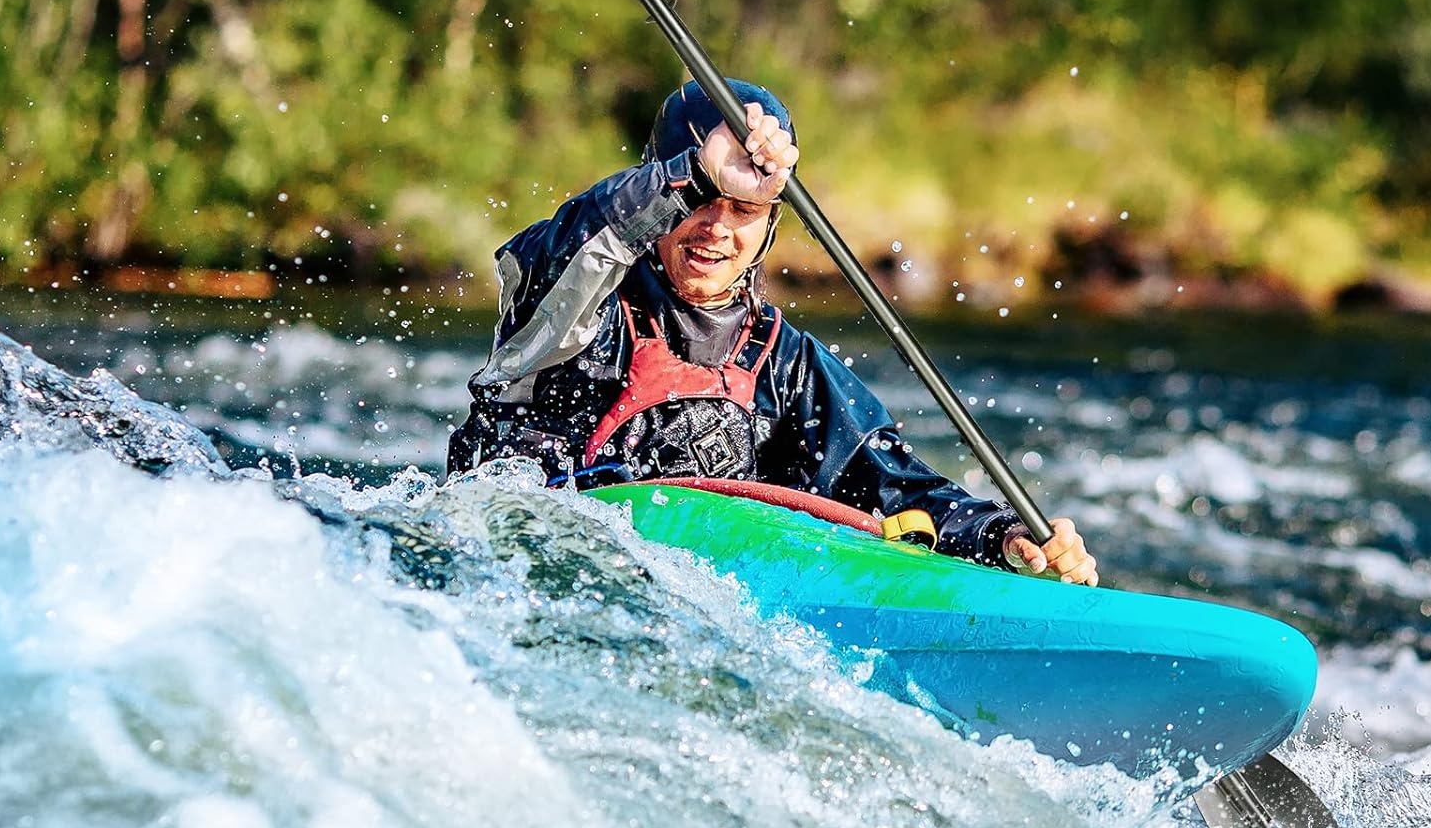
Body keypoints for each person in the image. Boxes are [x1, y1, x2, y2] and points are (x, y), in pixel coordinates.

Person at [448, 78, 1097, 584]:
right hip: (523, 571)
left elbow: (895, 488)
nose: (716, 227)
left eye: (743, 208)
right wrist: (694, 172)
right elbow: (558, 255)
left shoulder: (786, 364)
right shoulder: (576, 304)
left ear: (770, 225)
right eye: (701, 202)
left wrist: (1004, 536)